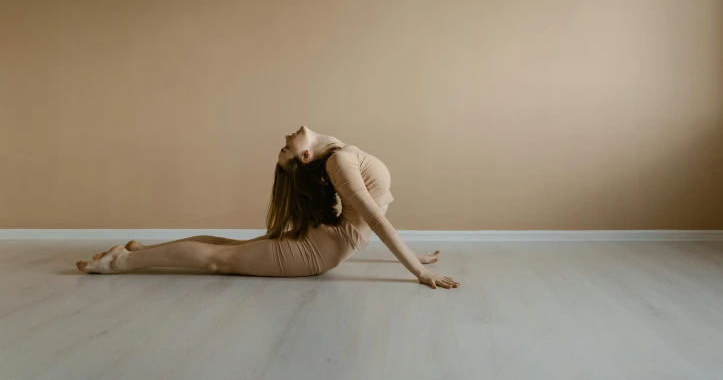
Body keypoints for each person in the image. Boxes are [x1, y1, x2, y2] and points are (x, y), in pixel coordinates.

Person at [77, 126, 460, 290]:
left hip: (322, 248)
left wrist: (414, 258)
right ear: (306, 155)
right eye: (285, 149)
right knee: (222, 257)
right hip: (319, 249)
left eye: (283, 148)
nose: (285, 139)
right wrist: (416, 270)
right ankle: (124, 261)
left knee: (228, 252)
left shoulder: (336, 154)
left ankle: (137, 255)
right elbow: (374, 219)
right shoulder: (339, 163)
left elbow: (374, 216)